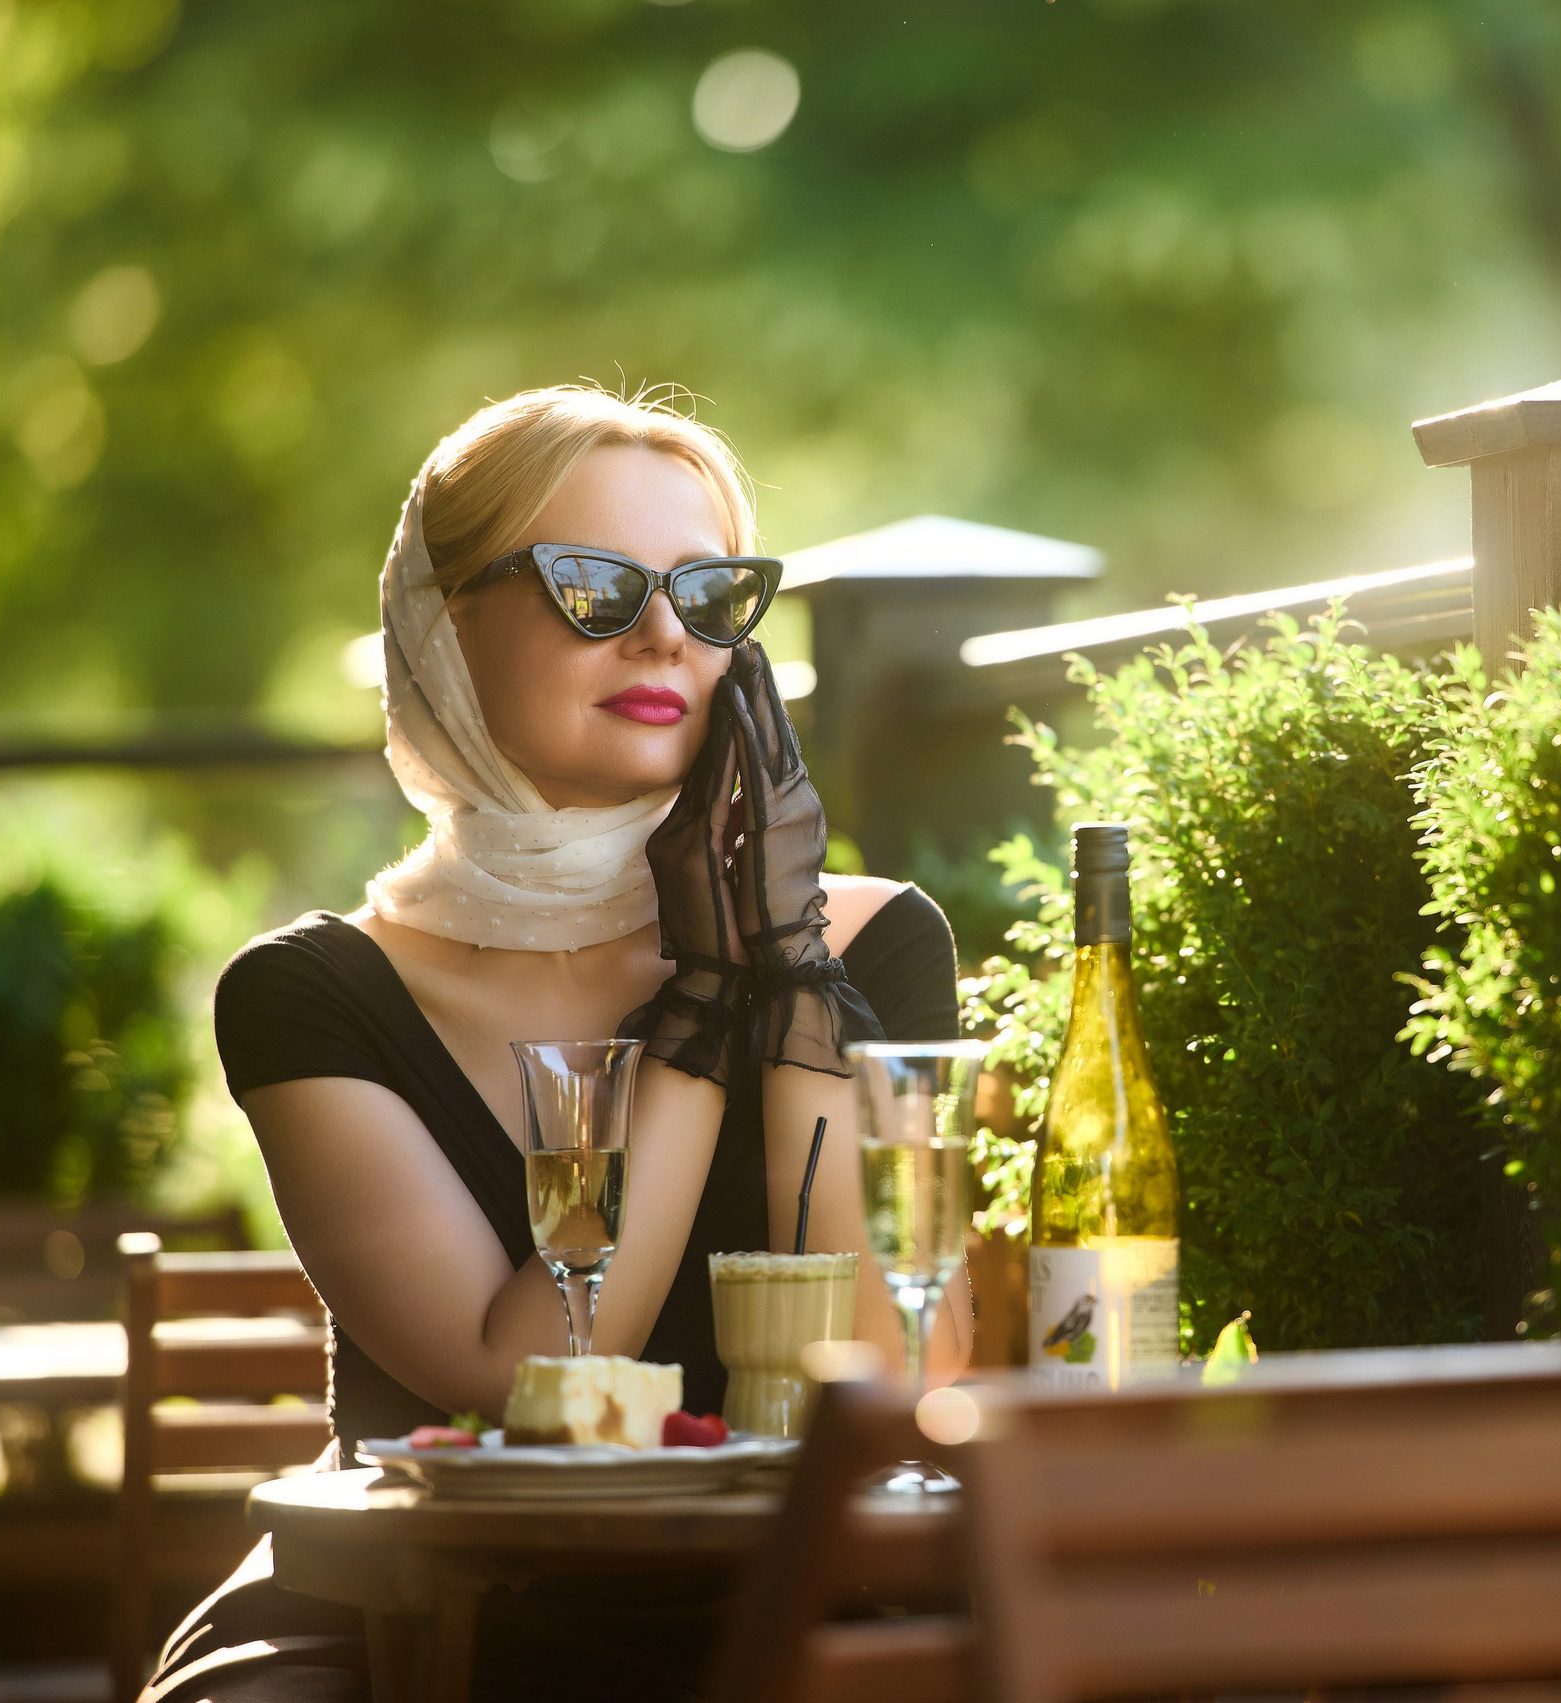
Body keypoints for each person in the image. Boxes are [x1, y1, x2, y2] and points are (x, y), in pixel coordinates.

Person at [143, 385, 967, 1702]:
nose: (662, 637)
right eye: (593, 586)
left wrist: (782, 966)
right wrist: (704, 1004)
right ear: (440, 627)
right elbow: (542, 1377)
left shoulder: (867, 948)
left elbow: (880, 1368)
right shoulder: (313, 993)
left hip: (799, 1610)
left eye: (709, 596)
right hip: (404, 1622)